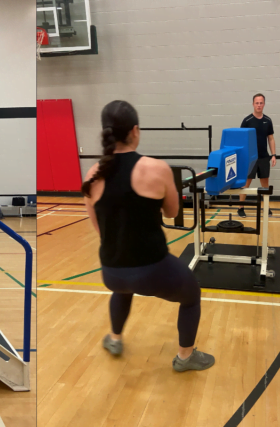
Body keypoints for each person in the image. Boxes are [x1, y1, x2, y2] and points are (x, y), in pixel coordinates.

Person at [81, 100, 215, 372]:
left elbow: (98, 228)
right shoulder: (156, 168)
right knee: (191, 295)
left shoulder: (93, 173)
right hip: (153, 269)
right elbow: (172, 212)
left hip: (112, 271)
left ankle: (115, 339)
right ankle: (185, 357)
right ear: (135, 131)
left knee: (122, 288)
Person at [237, 93, 276, 217]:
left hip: (264, 157)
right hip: (250, 158)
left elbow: (271, 139)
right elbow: (241, 139)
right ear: (253, 104)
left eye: (261, 103)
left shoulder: (268, 120)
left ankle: (266, 207)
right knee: (246, 183)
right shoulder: (247, 121)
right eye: (257, 103)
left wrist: (273, 155)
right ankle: (240, 208)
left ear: (264, 104)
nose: (259, 105)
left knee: (265, 183)